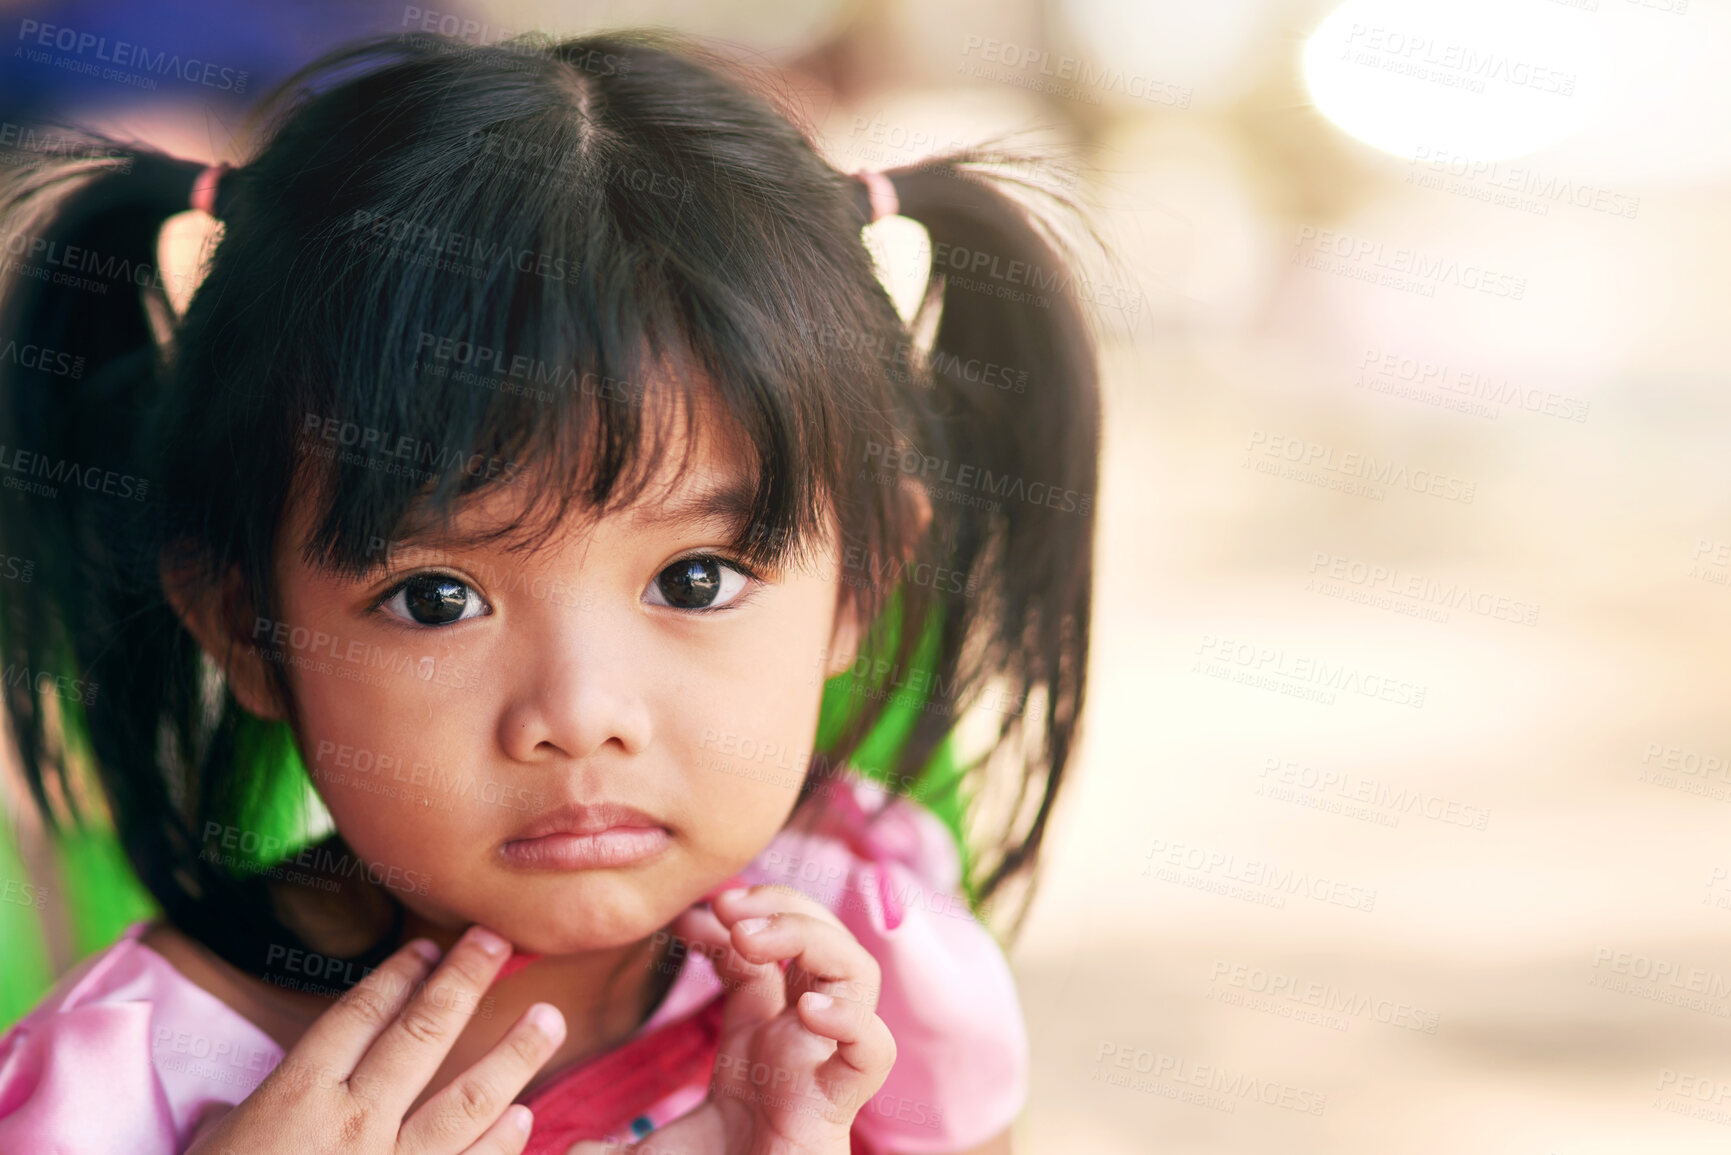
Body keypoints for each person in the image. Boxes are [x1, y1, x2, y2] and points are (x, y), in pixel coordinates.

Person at [0, 28, 1098, 1155]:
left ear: (862, 587)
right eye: (436, 598)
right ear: (242, 625)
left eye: (697, 579)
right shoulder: (125, 1090)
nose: (579, 715)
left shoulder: (869, 967)